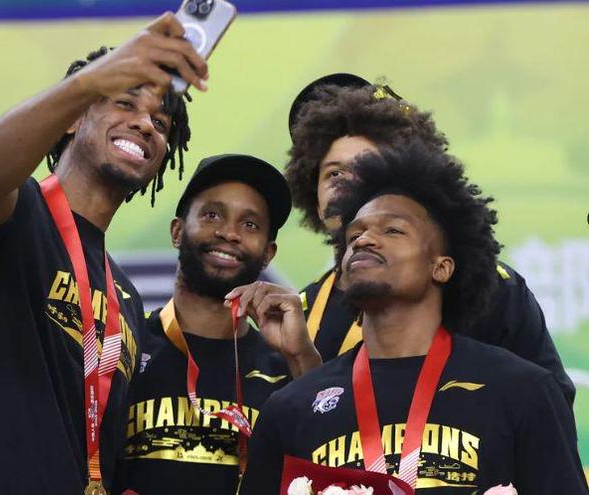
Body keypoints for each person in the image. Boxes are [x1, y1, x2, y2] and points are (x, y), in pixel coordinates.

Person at [0, 13, 207, 494]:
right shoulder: (11, 210)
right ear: (74, 118)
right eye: (124, 102)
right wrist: (89, 81)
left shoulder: (125, 296)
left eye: (160, 123)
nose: (145, 124)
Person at [240, 141, 589, 494]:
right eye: (354, 235)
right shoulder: (290, 407)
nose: (364, 241)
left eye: (393, 230)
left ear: (441, 267)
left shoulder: (523, 391)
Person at [285, 74, 576, 405]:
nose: (348, 184)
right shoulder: (301, 313)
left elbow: (550, 406)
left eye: (366, 166)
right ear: (314, 197)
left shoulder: (487, 287)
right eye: (334, 173)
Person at [115, 154, 321, 495]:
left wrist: (301, 356)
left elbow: (327, 464)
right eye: (212, 215)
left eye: (250, 224)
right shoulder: (126, 345)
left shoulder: (288, 367)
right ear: (177, 231)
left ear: (268, 253)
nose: (229, 233)